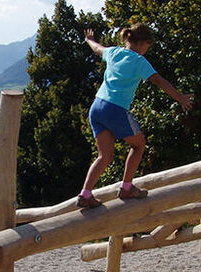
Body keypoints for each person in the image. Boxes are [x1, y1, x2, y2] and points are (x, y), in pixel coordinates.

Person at [77, 24, 193, 209]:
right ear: (144, 43)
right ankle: (127, 187)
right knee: (138, 145)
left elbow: (98, 49)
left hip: (97, 106)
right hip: (115, 108)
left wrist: (89, 40)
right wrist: (180, 97)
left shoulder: (114, 52)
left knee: (104, 156)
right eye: (148, 46)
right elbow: (159, 80)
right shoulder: (139, 61)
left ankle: (85, 194)